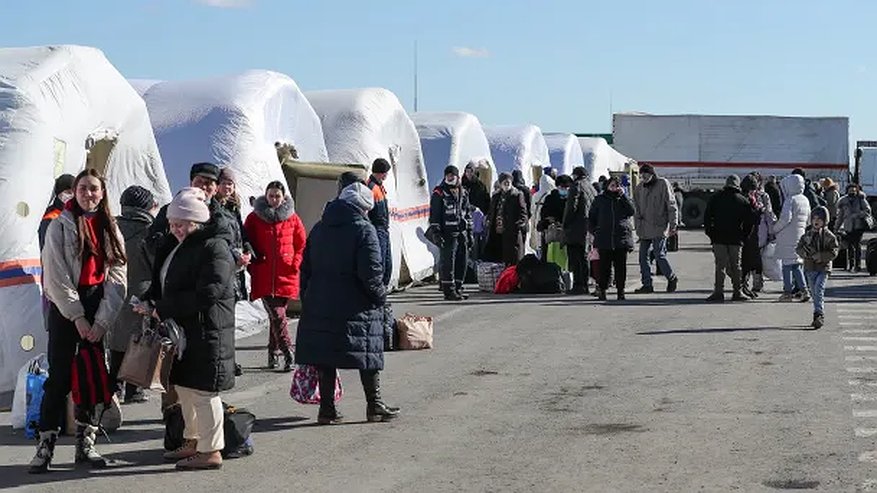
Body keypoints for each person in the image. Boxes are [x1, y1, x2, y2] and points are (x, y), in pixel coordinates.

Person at [30, 169, 127, 473]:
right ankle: (45, 446)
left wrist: (101, 321)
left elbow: (117, 276)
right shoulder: (60, 226)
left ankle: (86, 442)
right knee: (58, 379)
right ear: (75, 191)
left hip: (98, 306)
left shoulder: (110, 226)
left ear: (102, 192)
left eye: (94, 189)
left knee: (93, 379)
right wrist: (77, 317)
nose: (89, 194)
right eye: (83, 188)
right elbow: (56, 276)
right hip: (66, 311)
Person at [139, 188, 236, 471]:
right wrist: (151, 301)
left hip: (208, 331)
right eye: (172, 223)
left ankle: (211, 449)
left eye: (181, 223)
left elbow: (209, 293)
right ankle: (193, 441)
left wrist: (164, 308)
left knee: (205, 392)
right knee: (185, 388)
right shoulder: (179, 244)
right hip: (185, 331)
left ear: (197, 221)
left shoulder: (214, 246)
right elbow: (166, 281)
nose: (175, 229)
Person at [295, 182, 400, 424]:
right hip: (356, 304)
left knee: (325, 356)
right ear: (364, 207)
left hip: (320, 303)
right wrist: (380, 297)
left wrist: (308, 297)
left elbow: (306, 268)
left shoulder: (320, 228)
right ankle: (374, 405)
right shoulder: (364, 230)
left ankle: (327, 409)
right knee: (368, 354)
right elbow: (371, 273)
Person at [244, 181, 306, 372]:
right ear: (265, 196)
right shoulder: (254, 218)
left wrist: (294, 263)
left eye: (277, 196)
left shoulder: (292, 218)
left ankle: (273, 354)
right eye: (271, 196)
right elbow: (246, 240)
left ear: (283, 197)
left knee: (276, 317)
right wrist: (253, 261)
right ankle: (288, 352)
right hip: (264, 273)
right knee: (278, 316)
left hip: (286, 274)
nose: (274, 200)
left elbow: (301, 243)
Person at [107, 186, 157, 404]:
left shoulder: (110, 228)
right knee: (139, 341)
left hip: (114, 289)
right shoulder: (149, 231)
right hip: (141, 292)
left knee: (117, 341)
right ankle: (134, 389)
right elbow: (155, 264)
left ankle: (114, 387)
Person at [703, 175, 756, 302]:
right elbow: (750, 221)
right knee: (736, 266)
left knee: (720, 266)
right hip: (736, 239)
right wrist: (744, 236)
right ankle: (737, 292)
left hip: (718, 238)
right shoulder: (742, 201)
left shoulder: (715, 198)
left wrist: (711, 233)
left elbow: (707, 217)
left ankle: (718, 292)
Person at [633, 164, 679, 294]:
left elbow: (671, 205)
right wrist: (637, 226)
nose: (644, 178)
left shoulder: (662, 184)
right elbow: (636, 208)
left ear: (652, 174)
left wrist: (673, 224)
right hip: (644, 228)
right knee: (643, 257)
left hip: (659, 226)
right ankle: (647, 284)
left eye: (646, 175)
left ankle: (671, 277)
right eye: (642, 176)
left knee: (659, 254)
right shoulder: (639, 188)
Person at [428, 166, 473, 301]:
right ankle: (449, 290)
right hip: (447, 233)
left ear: (457, 176)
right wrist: (436, 232)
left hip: (461, 232)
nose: (450, 177)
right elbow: (434, 214)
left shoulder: (463, 192)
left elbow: (468, 212)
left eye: (452, 175)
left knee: (462, 260)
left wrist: (469, 232)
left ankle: (458, 287)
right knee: (448, 263)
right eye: (447, 175)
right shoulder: (439, 192)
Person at [588, 176, 635, 301]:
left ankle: (621, 291)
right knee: (604, 267)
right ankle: (602, 290)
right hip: (604, 239)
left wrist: (623, 196)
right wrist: (594, 232)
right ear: (607, 186)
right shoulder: (600, 200)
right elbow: (591, 217)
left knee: (621, 268)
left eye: (617, 185)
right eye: (612, 185)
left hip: (621, 238)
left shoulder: (623, 199)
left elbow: (631, 211)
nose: (614, 188)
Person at [796, 207, 839, 329]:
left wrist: (820, 256)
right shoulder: (807, 235)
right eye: (814, 218)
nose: (816, 221)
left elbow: (834, 251)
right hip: (810, 267)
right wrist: (806, 253)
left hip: (823, 267)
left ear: (825, 221)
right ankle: (817, 311)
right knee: (814, 292)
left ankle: (818, 314)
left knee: (819, 290)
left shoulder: (829, 236)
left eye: (819, 219)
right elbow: (799, 248)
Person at [216, 168, 254, 301]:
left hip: (238, 265)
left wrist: (247, 250)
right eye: (224, 183)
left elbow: (241, 232)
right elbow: (218, 235)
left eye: (230, 183)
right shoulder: (214, 207)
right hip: (224, 260)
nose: (227, 187)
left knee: (232, 300)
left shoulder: (233, 208)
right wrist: (235, 255)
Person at [773, 174, 811, 302]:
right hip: (800, 235)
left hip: (787, 237)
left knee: (786, 266)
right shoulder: (805, 199)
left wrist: (774, 229)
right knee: (797, 265)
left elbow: (785, 219)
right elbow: (809, 220)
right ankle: (804, 290)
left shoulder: (790, 200)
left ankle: (787, 292)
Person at [563, 167, 597, 295]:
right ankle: (585, 284)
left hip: (576, 227)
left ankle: (579, 285)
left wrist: (566, 223)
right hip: (588, 228)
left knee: (576, 257)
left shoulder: (576, 186)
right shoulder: (591, 188)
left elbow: (571, 206)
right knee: (584, 257)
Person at [485, 173, 528, 266]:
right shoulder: (496, 196)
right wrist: (489, 220)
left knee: (512, 260)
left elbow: (523, 212)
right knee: (498, 260)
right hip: (497, 233)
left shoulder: (517, 195)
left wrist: (520, 224)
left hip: (511, 232)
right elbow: (492, 211)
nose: (507, 184)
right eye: (504, 182)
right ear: (500, 183)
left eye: (508, 182)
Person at [836, 183, 874, 272]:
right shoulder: (843, 201)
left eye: (854, 190)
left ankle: (858, 265)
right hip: (848, 226)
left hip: (858, 226)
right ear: (847, 191)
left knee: (857, 245)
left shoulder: (861, 199)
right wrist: (836, 228)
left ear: (857, 191)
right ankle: (851, 265)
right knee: (849, 246)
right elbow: (840, 216)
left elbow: (868, 211)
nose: (852, 192)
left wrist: (857, 215)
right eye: (850, 190)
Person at [367, 158, 393, 286]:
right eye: (385, 172)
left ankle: (383, 291)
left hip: (383, 228)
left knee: (388, 264)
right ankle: (379, 294)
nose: (386, 175)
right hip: (377, 228)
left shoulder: (379, 187)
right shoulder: (371, 188)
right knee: (380, 263)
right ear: (381, 172)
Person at [538, 174, 572, 269]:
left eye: (567, 187)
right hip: (552, 234)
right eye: (562, 187)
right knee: (550, 259)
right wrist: (549, 221)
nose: (564, 190)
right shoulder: (550, 198)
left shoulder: (572, 200)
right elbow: (544, 214)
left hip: (567, 235)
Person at [38, 174, 76, 251]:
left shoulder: (75, 214)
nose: (72, 196)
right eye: (68, 192)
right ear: (59, 193)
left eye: (74, 193)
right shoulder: (50, 216)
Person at [531, 172, 556, 253]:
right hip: (548, 222)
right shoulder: (551, 195)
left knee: (539, 242)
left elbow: (532, 210)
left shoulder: (535, 195)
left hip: (537, 221)